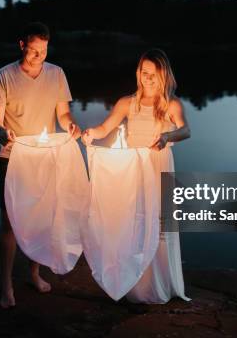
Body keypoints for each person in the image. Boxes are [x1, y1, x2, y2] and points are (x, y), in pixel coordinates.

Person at [82, 48, 191, 303]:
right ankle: (135, 286)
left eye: (154, 74)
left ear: (164, 75)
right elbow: (105, 127)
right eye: (145, 73)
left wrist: (167, 136)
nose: (148, 79)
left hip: (158, 165)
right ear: (138, 74)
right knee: (136, 223)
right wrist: (92, 134)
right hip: (133, 170)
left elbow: (185, 131)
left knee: (159, 225)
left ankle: (158, 285)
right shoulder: (126, 103)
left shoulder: (171, 104)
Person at [0, 22, 81, 309]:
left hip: (45, 157)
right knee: (10, 223)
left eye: (43, 50)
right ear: (21, 45)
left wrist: (71, 126)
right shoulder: (4, 76)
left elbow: (63, 114)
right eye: (33, 50)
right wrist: (3, 132)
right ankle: (6, 285)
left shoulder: (56, 74)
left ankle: (34, 273)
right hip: (12, 157)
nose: (38, 56)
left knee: (41, 218)